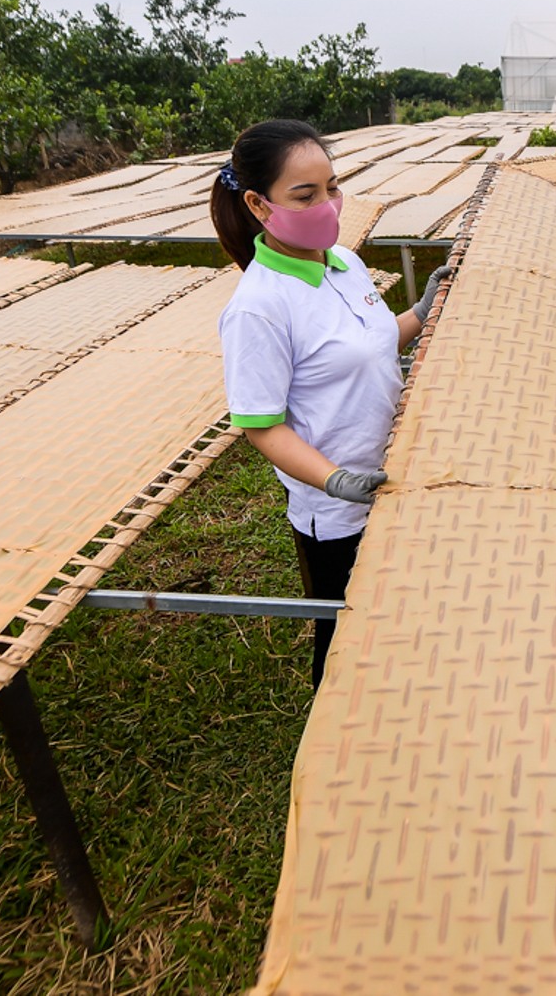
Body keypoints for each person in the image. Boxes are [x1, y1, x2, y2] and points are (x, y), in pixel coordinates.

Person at [211, 119, 445, 687]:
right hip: (338, 510)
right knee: (344, 637)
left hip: (393, 476)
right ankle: (336, 740)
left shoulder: (343, 263)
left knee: (398, 614)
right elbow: (261, 426)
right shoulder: (259, 307)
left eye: (332, 187)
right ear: (259, 205)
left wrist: (421, 312)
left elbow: (370, 345)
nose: (328, 204)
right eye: (305, 195)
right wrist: (334, 479)